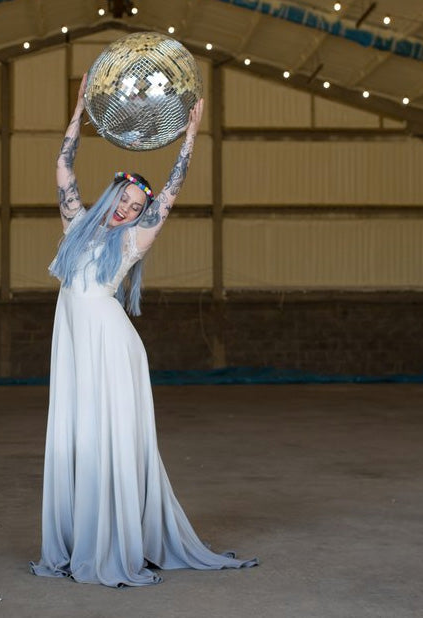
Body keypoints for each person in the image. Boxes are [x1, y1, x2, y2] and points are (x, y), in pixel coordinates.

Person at [29, 75, 258, 587]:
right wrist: (78, 112)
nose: (128, 211)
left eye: (136, 207)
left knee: (109, 436)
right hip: (73, 342)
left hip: (111, 345)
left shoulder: (133, 241)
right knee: (79, 435)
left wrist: (191, 136)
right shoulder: (75, 224)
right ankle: (84, 533)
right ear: (112, 194)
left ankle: (117, 538)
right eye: (125, 201)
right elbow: (63, 166)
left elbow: (170, 196)